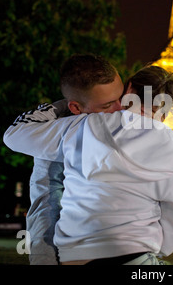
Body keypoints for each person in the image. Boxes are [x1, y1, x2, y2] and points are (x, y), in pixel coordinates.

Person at [4, 65, 173, 265]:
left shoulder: (83, 125)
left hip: (73, 258)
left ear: (128, 89)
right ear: (167, 111)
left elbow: (15, 136)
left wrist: (67, 104)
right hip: (133, 256)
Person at [22, 54, 124, 264]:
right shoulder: (58, 137)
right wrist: (44, 258)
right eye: (107, 105)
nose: (120, 109)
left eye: (121, 98)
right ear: (76, 108)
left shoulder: (123, 122)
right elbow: (46, 199)